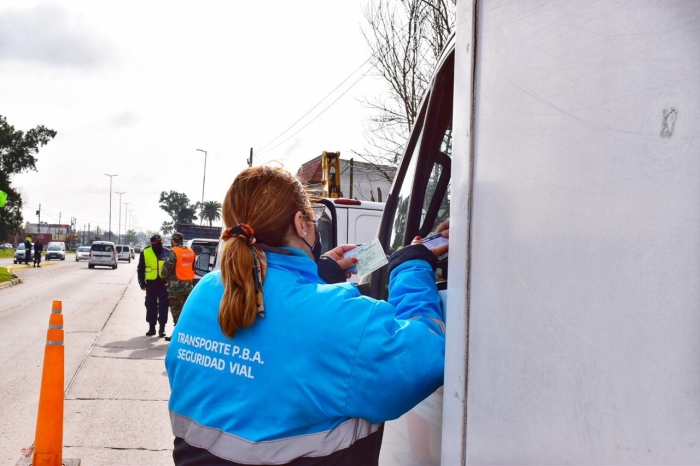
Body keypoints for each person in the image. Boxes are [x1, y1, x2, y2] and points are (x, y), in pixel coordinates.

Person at [165, 166, 448, 465]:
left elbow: (280, 321)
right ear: (301, 223)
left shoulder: (207, 292)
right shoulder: (341, 321)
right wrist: (411, 266)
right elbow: (426, 355)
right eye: (313, 221)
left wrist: (318, 274)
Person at [160, 232, 195, 342]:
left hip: (176, 288)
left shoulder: (174, 251)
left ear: (174, 241)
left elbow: (167, 268)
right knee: (186, 312)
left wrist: (163, 276)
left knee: (176, 313)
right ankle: (186, 335)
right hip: (188, 287)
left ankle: (178, 337)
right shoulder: (190, 251)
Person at [137, 234, 170, 337]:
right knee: (151, 306)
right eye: (155, 243)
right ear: (151, 244)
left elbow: (171, 268)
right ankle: (152, 328)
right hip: (151, 284)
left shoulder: (167, 252)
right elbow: (140, 269)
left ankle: (162, 329)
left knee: (163, 306)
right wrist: (142, 283)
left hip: (164, 284)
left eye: (159, 242)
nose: (157, 244)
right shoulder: (146, 252)